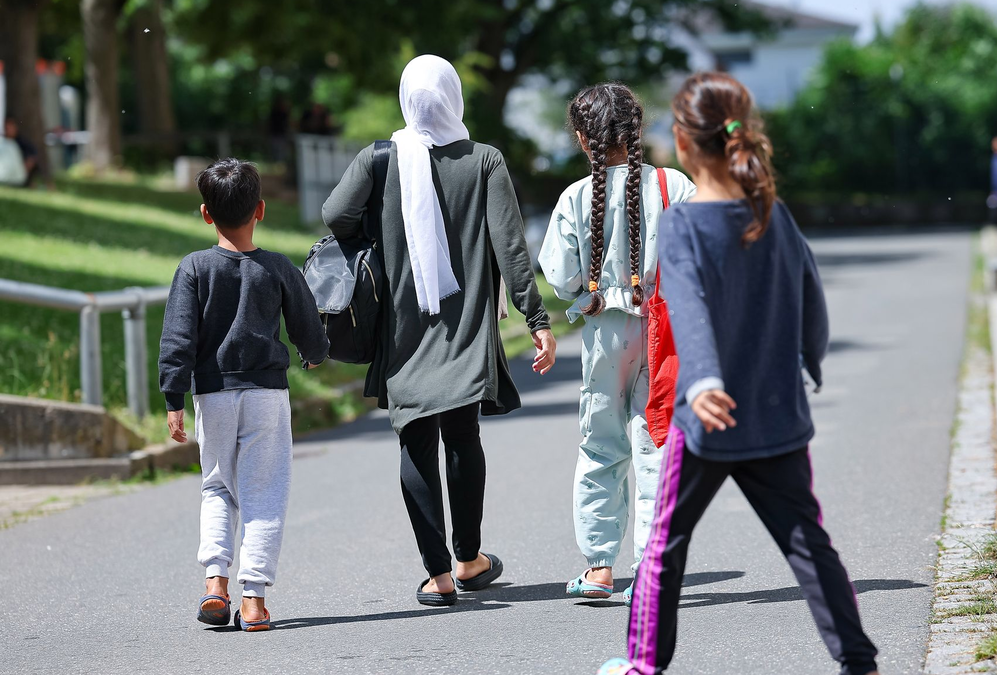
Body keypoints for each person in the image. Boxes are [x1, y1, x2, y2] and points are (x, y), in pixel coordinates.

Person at [598, 72, 879, 675]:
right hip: (776, 414)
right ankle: (860, 662)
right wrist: (809, 361)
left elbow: (690, 309)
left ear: (681, 141)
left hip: (704, 422)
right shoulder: (775, 216)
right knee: (808, 544)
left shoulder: (683, 225)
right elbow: (812, 301)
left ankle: (644, 665)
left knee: (665, 549)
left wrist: (702, 381)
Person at [322, 55, 556, 607]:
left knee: (415, 439)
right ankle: (469, 558)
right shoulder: (485, 160)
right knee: (462, 437)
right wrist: (536, 318)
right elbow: (510, 246)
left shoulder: (381, 158)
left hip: (403, 325)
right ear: (455, 97)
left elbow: (335, 215)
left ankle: (439, 575)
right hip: (464, 326)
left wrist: (384, 229)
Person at [539, 83, 695, 606]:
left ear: (583, 139)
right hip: (662, 331)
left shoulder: (575, 197)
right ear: (638, 130)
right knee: (655, 446)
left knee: (600, 445)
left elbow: (561, 278)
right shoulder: (673, 185)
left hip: (605, 332)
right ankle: (651, 572)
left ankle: (599, 567)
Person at [158, 158, 330, 632]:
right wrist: (315, 355)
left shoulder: (193, 268)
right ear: (261, 209)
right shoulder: (278, 267)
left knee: (217, 485)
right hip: (266, 395)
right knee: (264, 492)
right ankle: (253, 600)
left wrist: (174, 397)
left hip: (213, 394)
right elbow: (308, 327)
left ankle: (215, 585)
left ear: (205, 213)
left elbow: (177, 338)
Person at [4, 116, 38, 186]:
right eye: (6, 128)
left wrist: (22, 172)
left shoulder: (22, 142)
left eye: (10, 128)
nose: (8, 130)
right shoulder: (3, 142)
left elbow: (31, 158)